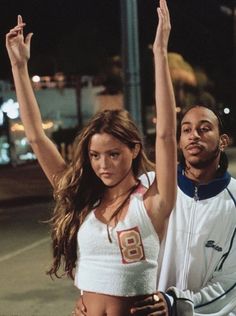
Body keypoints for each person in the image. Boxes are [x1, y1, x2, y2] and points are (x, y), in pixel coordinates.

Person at [5, 0, 177, 315]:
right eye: (95, 155)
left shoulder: (151, 201)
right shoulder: (84, 199)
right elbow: (36, 137)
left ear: (135, 149)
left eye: (113, 154)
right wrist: (19, 67)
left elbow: (166, 136)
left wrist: (159, 53)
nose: (103, 164)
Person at [129, 103, 236, 315]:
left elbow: (231, 282)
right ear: (179, 141)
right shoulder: (150, 185)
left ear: (223, 141)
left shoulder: (234, 201)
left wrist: (176, 304)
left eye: (204, 129)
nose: (193, 135)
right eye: (186, 130)